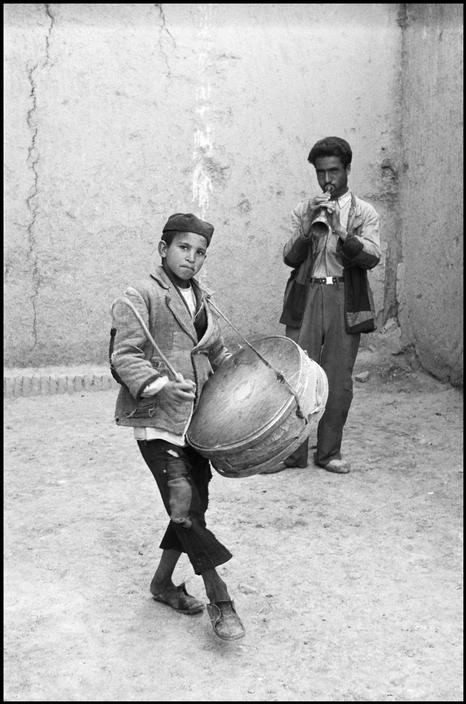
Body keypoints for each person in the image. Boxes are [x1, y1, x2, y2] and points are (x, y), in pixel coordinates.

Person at [110, 212, 245, 641]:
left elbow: (219, 355)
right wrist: (159, 386)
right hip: (156, 422)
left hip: (196, 422)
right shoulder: (140, 295)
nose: (192, 258)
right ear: (163, 249)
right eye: (184, 248)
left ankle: (162, 584)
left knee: (190, 509)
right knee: (185, 507)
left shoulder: (206, 300)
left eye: (200, 252)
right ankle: (221, 599)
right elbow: (123, 357)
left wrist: (248, 388)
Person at [279, 136, 381, 474]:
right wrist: (310, 227)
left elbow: (371, 258)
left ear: (348, 169)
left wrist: (341, 231)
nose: (327, 180)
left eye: (334, 171)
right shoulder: (303, 209)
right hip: (307, 296)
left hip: (344, 298)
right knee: (298, 376)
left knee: (338, 379)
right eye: (321, 173)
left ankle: (328, 453)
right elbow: (289, 257)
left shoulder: (364, 212)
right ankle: (293, 453)